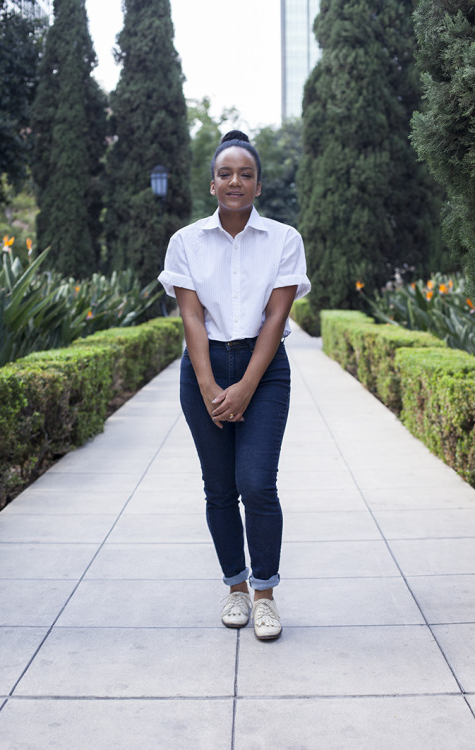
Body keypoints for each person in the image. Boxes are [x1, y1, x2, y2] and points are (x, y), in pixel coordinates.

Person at [158, 130, 310, 640]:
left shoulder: (285, 240)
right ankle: (236, 589)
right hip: (203, 368)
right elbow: (191, 318)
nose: (235, 182)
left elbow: (275, 318)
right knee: (219, 488)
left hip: (263, 371)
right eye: (226, 174)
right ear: (212, 184)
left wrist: (245, 386)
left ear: (259, 186)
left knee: (256, 484)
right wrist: (208, 386)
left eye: (245, 174)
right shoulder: (185, 242)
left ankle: (265, 594)